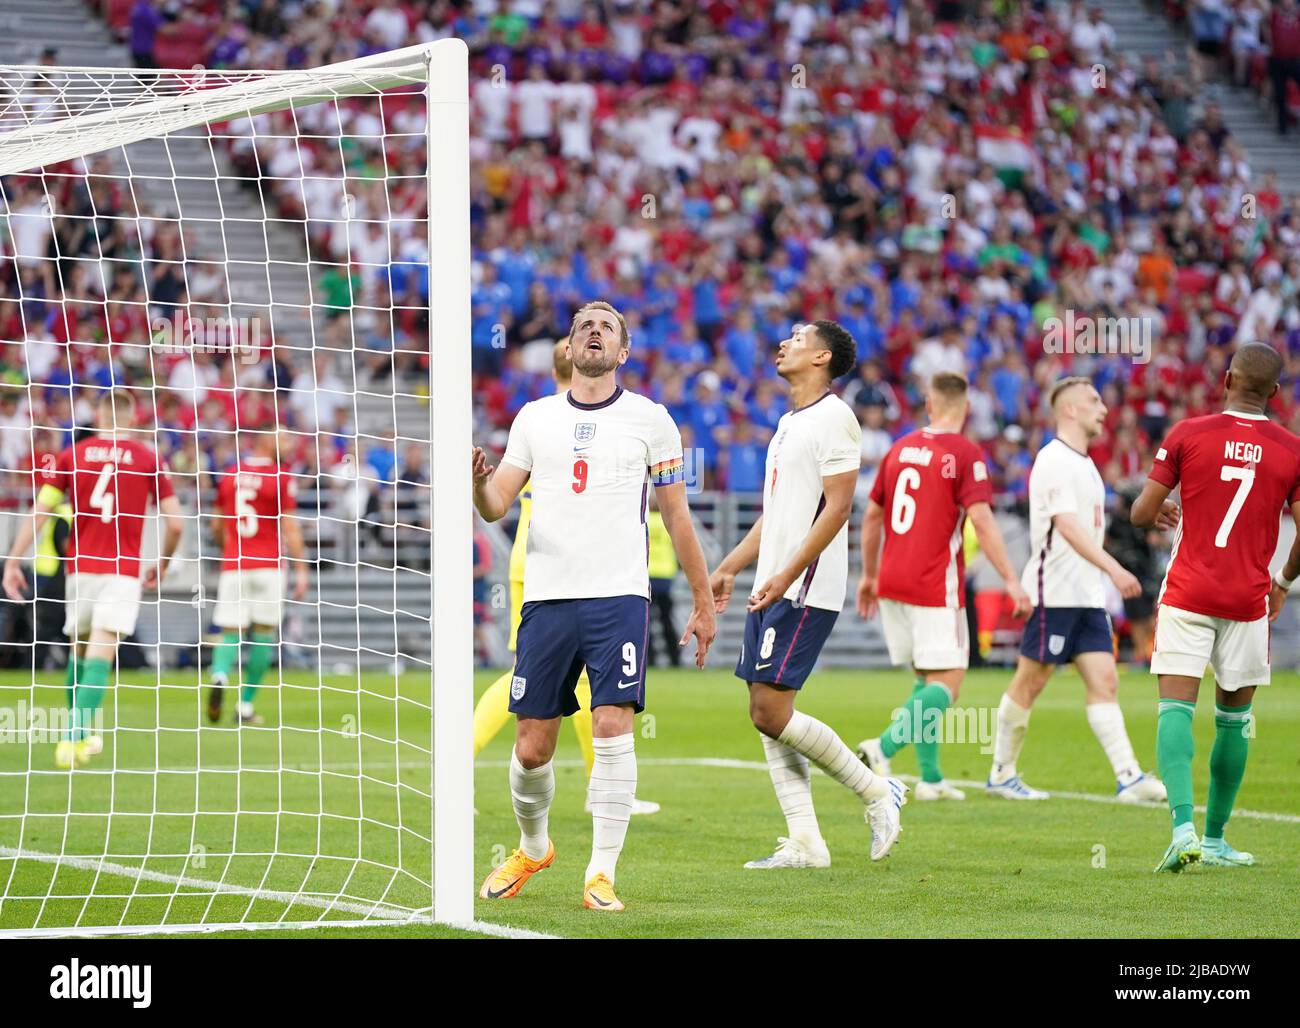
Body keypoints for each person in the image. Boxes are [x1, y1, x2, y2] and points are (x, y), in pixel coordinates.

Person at [471, 301, 716, 912]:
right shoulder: (535, 418)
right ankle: (534, 847)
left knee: (612, 726)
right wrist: (477, 481)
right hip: (549, 597)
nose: (595, 331)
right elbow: (497, 503)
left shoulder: (652, 419)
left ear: (623, 352)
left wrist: (704, 601)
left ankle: (601, 873)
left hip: (619, 595)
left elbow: (677, 515)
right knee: (532, 747)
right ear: (571, 346)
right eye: (585, 324)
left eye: (607, 326)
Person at [710, 321, 907, 870]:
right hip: (773, 580)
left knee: (771, 711)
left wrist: (788, 572)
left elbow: (840, 507)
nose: (783, 343)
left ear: (821, 357)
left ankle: (875, 791)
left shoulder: (836, 416)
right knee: (763, 708)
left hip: (803, 584)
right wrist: (730, 568)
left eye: (796, 338)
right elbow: (777, 514)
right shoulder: (788, 422)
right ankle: (806, 842)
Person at [470, 338, 661, 815]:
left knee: (583, 686)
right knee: (526, 678)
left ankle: (605, 784)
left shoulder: (570, 415)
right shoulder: (546, 419)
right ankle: (461, 760)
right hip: (545, 568)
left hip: (564, 566)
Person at [1131, 342, 1300, 872]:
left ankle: (1182, 829)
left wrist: (1162, 512)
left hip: (1187, 591)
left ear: (1226, 379)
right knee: (1235, 719)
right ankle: (1218, 838)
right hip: (1249, 600)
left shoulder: (1188, 433)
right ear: (1275, 393)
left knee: (1175, 709)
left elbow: (1140, 513)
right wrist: (1283, 584)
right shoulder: (1292, 449)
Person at [986, 377, 1167, 803]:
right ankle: (1001, 773)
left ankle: (1129, 778)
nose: (1104, 408)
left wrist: (1152, 511)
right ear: (1069, 410)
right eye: (1094, 400)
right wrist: (1114, 568)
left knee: (1105, 680)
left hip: (1086, 596)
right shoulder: (1054, 460)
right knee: (1031, 681)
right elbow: (1066, 528)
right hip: (1055, 593)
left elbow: (1091, 523)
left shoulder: (1085, 464)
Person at [857, 372, 1031, 800]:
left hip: (893, 580)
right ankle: (881, 748)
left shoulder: (899, 449)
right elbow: (983, 520)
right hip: (935, 583)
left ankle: (930, 779)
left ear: (929, 407)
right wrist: (1012, 579)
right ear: (965, 408)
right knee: (949, 682)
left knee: (926, 677)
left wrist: (868, 574)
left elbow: (872, 515)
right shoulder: (966, 453)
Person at [3, 390, 183, 768]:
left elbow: (41, 509)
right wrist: (163, 562)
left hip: (79, 570)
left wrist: (13, 561)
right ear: (132, 419)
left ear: (99, 417)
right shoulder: (149, 458)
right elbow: (177, 523)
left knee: (80, 652)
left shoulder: (72, 455)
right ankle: (70, 742)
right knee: (102, 652)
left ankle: (81, 737)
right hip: (120, 569)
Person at [207, 428, 309, 725]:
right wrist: (302, 570)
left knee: (230, 632)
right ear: (266, 441)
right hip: (268, 566)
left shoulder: (230, 474)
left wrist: (226, 545)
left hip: (235, 564)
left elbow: (216, 523)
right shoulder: (281, 476)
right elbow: (290, 528)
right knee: (263, 635)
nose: (290, 443)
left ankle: (220, 674)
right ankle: (246, 706)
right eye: (285, 438)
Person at [645, 488, 680, 668]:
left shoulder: (646, 521)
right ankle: (675, 659)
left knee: (647, 623)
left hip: (648, 575)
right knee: (667, 621)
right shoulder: (669, 522)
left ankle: (649, 659)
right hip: (666, 576)